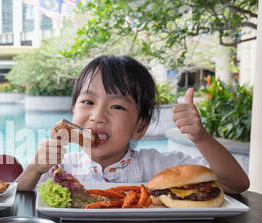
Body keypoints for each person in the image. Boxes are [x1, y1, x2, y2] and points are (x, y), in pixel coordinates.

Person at [16, 55, 250, 194]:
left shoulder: (161, 167)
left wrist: (201, 137)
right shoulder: (61, 168)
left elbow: (236, 183)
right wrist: (34, 169)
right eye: (88, 101)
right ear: (72, 112)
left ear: (140, 127)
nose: (97, 116)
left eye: (116, 106)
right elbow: (17, 195)